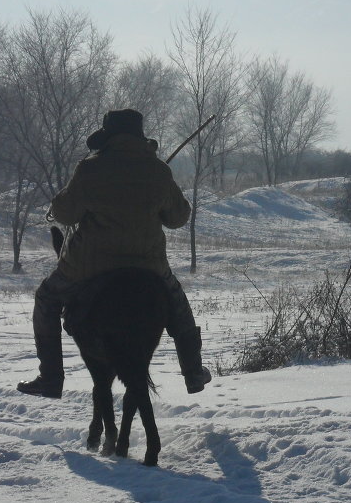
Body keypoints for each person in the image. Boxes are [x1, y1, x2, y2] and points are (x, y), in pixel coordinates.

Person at [17, 108, 212, 399]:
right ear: (140, 136)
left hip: (89, 265)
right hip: (148, 264)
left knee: (46, 298)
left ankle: (51, 377)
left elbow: (65, 214)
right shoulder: (158, 170)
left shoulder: (90, 168)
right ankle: (193, 372)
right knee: (177, 303)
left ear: (108, 136)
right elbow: (178, 218)